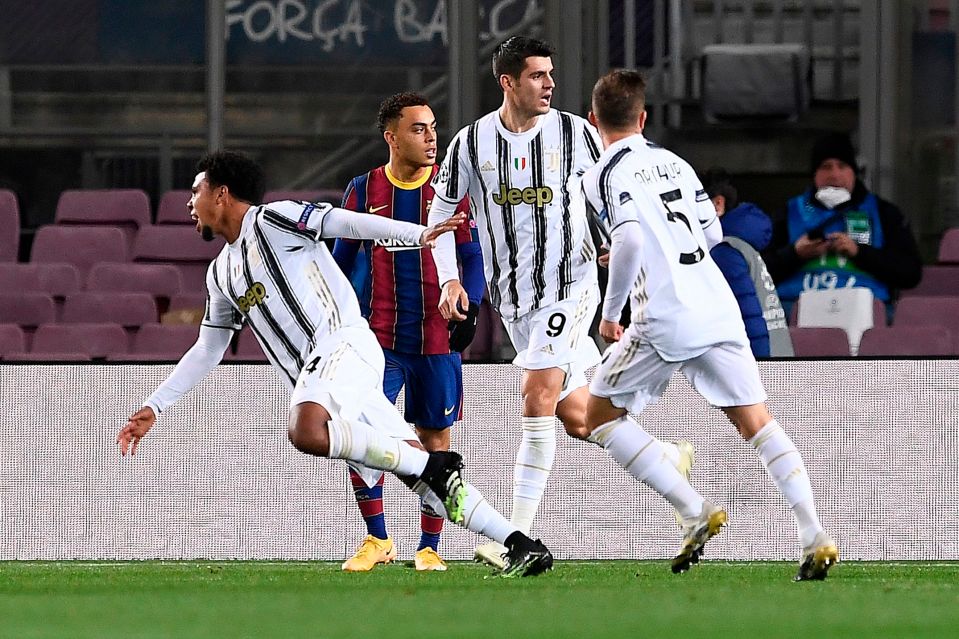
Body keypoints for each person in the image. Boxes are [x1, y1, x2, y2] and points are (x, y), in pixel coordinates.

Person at [116, 150, 552, 578]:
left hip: (344, 344)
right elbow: (207, 349)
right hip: (331, 377)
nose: (189, 204)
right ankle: (521, 544)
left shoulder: (273, 219)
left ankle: (430, 467)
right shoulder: (221, 274)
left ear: (221, 193)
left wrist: (416, 234)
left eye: (196, 192)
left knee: (305, 430)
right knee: (430, 484)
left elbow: (345, 222)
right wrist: (156, 406)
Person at [427, 36, 694, 567]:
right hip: (514, 301)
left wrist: (615, 239)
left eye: (551, 74)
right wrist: (449, 281)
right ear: (507, 82)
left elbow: (620, 186)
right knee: (580, 416)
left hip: (569, 286)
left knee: (537, 398)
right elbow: (440, 213)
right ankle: (667, 458)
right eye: (537, 76)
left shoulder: (577, 132)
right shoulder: (471, 142)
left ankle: (515, 541)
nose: (549, 84)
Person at [580, 69, 838, 581]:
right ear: (644, 117)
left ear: (593, 122)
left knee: (598, 416)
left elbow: (629, 241)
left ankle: (693, 508)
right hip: (716, 305)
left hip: (666, 313)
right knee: (757, 423)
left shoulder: (601, 173)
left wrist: (611, 316)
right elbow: (711, 232)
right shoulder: (675, 161)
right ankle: (814, 535)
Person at [332, 92, 485, 572]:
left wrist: (472, 304)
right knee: (364, 436)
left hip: (437, 342)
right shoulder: (362, 191)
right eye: (418, 128)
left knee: (435, 441)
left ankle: (429, 547)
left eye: (434, 126)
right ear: (391, 136)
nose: (431, 136)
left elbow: (473, 257)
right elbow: (341, 262)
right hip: (379, 342)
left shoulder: (450, 193)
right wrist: (334, 320)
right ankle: (377, 539)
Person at [762, 132, 922, 319]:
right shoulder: (788, 213)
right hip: (795, 315)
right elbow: (756, 272)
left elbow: (910, 273)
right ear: (814, 174)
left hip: (867, 314)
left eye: (842, 166)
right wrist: (795, 254)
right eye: (826, 167)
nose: (834, 175)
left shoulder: (884, 212)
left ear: (854, 172)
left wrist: (859, 253)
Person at [701, 167, 793, 357]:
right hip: (780, 361)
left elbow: (748, 318)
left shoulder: (724, 251)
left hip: (762, 366)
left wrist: (760, 367)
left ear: (717, 204)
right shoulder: (742, 246)